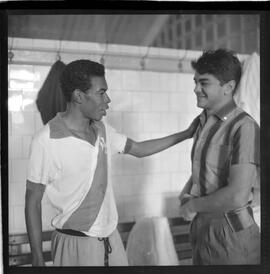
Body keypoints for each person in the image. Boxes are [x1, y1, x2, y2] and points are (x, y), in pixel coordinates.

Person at [25, 59, 199, 266]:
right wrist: (37, 256)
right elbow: (32, 201)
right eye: (101, 92)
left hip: (111, 239)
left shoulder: (102, 129)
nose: (107, 100)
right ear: (79, 96)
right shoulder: (46, 140)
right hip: (75, 242)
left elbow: (140, 149)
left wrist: (187, 133)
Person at [178, 49, 260, 265]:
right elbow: (205, 170)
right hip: (202, 227)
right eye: (195, 81)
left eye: (204, 83)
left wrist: (193, 206)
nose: (196, 89)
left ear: (229, 87)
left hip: (231, 232)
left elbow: (237, 196)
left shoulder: (244, 126)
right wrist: (187, 193)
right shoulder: (203, 122)